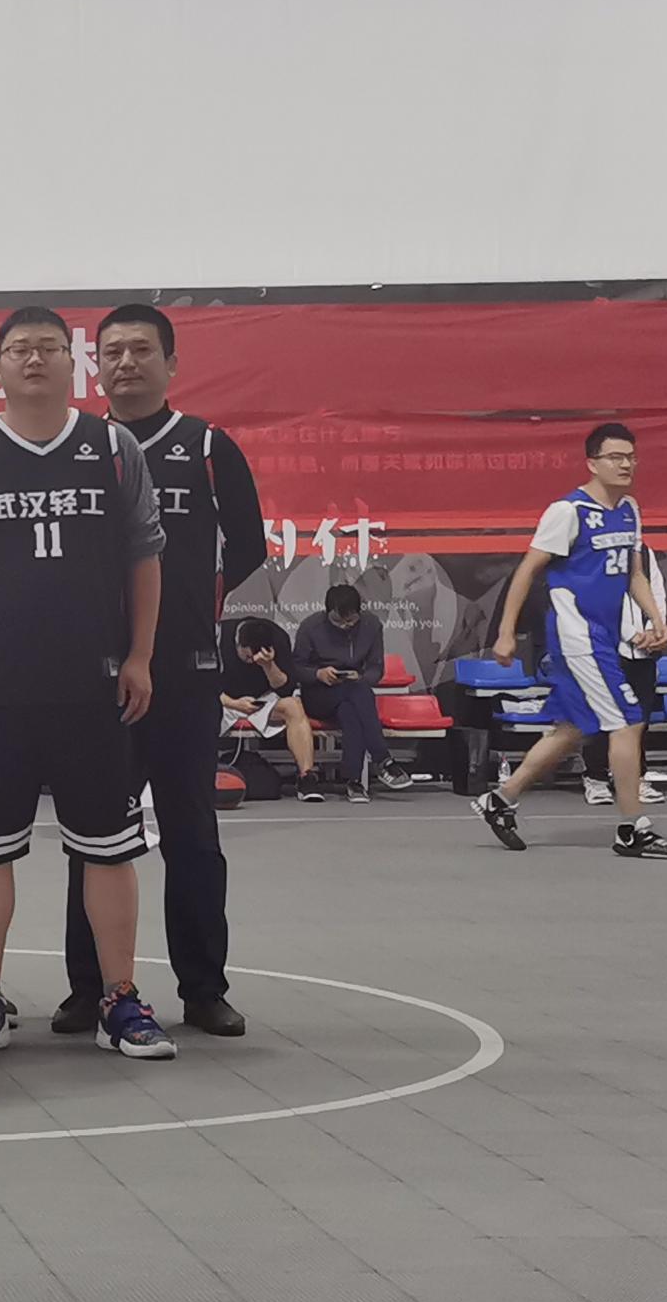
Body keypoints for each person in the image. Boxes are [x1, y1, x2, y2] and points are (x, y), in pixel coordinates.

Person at [0, 307, 176, 1062]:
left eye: (48, 348)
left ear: (72, 361)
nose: (33, 360)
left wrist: (140, 656)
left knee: (109, 849)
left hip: (94, 687)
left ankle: (120, 998)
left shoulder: (113, 448)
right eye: (18, 350)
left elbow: (145, 556)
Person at [57, 305, 267, 1040]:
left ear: (171, 363)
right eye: (111, 351)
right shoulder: (78, 448)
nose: (125, 363)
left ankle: (204, 990)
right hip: (94, 674)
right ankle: (89, 989)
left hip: (184, 670)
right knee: (94, 838)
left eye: (141, 350)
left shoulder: (206, 447)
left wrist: (190, 604)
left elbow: (247, 544)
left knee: (191, 836)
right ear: (96, 366)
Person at [475, 423, 667, 859]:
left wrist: (656, 617)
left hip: (606, 634)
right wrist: (506, 632)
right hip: (578, 635)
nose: (626, 464)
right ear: (592, 463)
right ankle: (633, 829)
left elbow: (635, 574)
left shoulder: (629, 509)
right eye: (615, 457)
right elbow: (526, 571)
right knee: (627, 721)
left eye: (631, 457)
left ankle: (500, 800)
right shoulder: (568, 511)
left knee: (572, 728)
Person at [294, 585, 415, 802]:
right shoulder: (310, 627)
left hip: (353, 691)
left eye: (350, 620)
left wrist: (361, 678)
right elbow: (296, 668)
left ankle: (354, 781)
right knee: (358, 694)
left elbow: (376, 668)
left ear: (359, 612)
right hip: (318, 695)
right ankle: (383, 759)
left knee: (350, 711)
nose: (344, 625)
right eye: (338, 620)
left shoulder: (371, 625)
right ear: (327, 612)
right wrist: (318, 674)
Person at [580, 538, 667, 807]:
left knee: (639, 719)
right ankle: (596, 778)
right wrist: (631, 634)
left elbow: (656, 591)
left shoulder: (645, 551)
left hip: (643, 654)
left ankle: (636, 778)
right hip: (607, 650)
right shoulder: (594, 551)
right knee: (603, 716)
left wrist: (656, 628)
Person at [223, 616, 320, 796]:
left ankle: (306, 777)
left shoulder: (277, 638)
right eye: (248, 657)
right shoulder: (219, 636)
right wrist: (234, 703)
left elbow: (286, 689)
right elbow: (204, 686)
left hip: (261, 700)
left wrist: (268, 665)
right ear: (238, 644)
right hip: (225, 700)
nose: (252, 661)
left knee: (293, 706)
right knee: (197, 705)